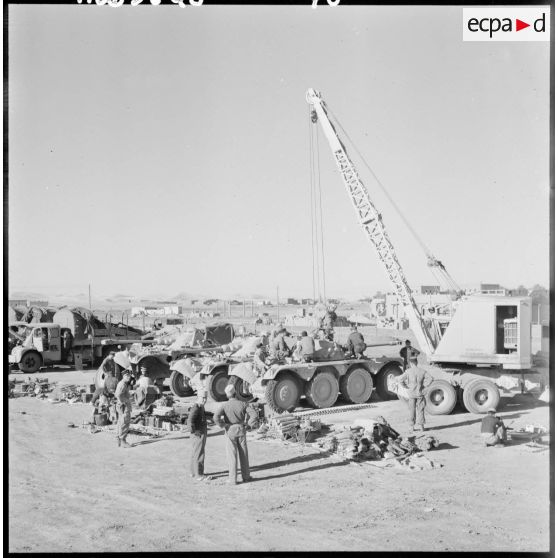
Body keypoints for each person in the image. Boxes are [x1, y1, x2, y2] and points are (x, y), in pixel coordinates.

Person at [213, 384, 258, 485]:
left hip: (230, 430)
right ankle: (246, 477)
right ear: (235, 393)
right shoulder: (243, 403)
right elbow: (254, 414)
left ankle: (233, 479)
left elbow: (215, 417)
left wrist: (223, 425)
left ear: (227, 395)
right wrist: (249, 424)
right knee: (244, 455)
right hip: (241, 429)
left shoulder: (224, 405)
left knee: (232, 456)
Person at [394, 357, 433, 432]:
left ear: (411, 363)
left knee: (412, 410)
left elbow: (400, 379)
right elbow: (431, 378)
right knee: (420, 410)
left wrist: (405, 386)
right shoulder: (422, 371)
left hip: (411, 394)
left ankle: (412, 427)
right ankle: (422, 427)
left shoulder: (408, 372)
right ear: (417, 362)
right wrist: (425, 386)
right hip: (420, 393)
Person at [187, 390, 213, 481]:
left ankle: (193, 472)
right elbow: (190, 421)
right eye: (203, 398)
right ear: (198, 397)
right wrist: (195, 431)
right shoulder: (196, 408)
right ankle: (199, 475)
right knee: (199, 454)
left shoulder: (200, 406)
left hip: (199, 433)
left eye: (206, 398)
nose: (204, 400)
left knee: (195, 453)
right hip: (198, 434)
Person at [114, 371, 133, 448]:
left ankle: (118, 438)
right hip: (124, 406)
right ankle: (123, 441)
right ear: (123, 376)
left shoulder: (123, 383)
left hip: (121, 405)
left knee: (120, 422)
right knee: (125, 422)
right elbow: (118, 395)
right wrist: (125, 401)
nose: (128, 377)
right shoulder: (122, 384)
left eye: (129, 376)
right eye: (126, 376)